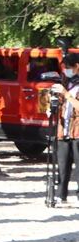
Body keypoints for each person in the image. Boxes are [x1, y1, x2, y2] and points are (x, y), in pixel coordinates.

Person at [53, 54, 79, 205]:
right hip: (64, 129)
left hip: (77, 130)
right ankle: (60, 194)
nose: (66, 71)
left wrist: (66, 94)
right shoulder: (68, 82)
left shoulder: (69, 88)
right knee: (62, 164)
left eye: (68, 68)